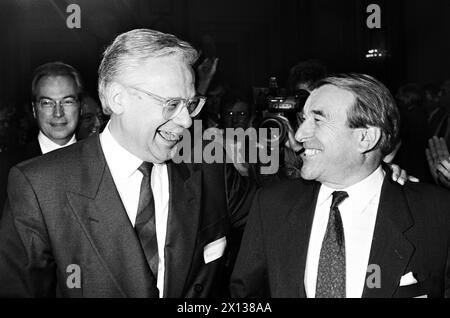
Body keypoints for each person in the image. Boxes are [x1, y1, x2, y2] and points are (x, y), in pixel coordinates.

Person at [0, 29, 255, 298]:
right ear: (116, 99)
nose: (186, 120)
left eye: (191, 104)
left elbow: (277, 216)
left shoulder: (207, 163)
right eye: (171, 104)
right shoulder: (39, 186)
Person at [230, 74, 450, 298]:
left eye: (317, 120)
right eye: (302, 119)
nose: (299, 134)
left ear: (366, 137)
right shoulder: (271, 205)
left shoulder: (437, 214)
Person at [0, 61, 83, 212]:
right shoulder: (6, 168)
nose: (58, 113)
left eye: (67, 101)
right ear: (34, 109)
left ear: (80, 107)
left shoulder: (104, 161)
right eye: (47, 103)